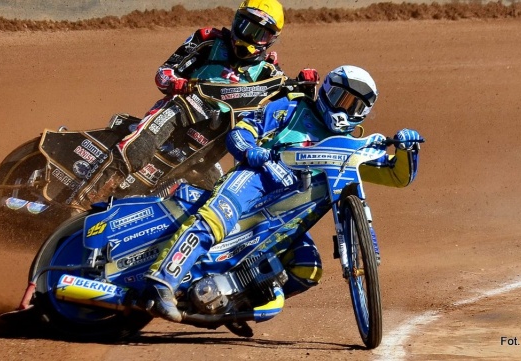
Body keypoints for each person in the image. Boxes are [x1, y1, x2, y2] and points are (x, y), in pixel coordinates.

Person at [141, 64, 424, 322]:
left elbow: (396, 176)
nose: (346, 110)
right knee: (216, 219)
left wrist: (407, 150)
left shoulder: (350, 148)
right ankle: (162, 282)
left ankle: (236, 304)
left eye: (356, 107)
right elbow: (241, 131)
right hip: (255, 180)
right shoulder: (292, 108)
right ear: (326, 92)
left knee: (307, 269)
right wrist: (252, 151)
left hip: (287, 218)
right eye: (342, 99)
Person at [83, 0, 320, 207]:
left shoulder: (269, 73)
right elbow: (164, 72)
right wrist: (177, 83)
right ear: (236, 20)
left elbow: (288, 113)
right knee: (138, 149)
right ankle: (82, 200)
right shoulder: (208, 41)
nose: (248, 37)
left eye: (259, 33)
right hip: (180, 112)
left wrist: (306, 87)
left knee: (217, 200)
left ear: (271, 40)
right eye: (245, 26)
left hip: (210, 148)